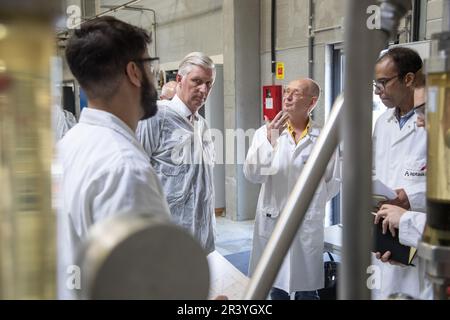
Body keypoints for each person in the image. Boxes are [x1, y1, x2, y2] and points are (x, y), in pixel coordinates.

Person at [56, 16, 171, 299]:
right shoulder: (125, 169)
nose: (153, 77)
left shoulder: (70, 144)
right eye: (149, 65)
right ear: (134, 72)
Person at [244, 78, 340, 300]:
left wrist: (311, 207)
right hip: (272, 220)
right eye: (286, 91)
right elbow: (252, 175)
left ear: (312, 102)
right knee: (276, 285)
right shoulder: (265, 132)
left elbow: (333, 181)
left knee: (306, 289)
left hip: (306, 224)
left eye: (295, 93)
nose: (287, 97)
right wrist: (270, 140)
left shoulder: (325, 136)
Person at [136, 52, 216, 254]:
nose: (203, 89)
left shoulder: (202, 126)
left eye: (209, 83)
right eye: (197, 81)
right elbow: (135, 176)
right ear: (179, 79)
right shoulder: (156, 117)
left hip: (199, 237)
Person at [372, 47, 427, 299]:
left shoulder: (436, 122)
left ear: (408, 79)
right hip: (388, 231)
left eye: (383, 82)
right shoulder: (383, 122)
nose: (378, 90)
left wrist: (410, 197)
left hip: (424, 238)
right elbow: (376, 171)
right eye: (376, 83)